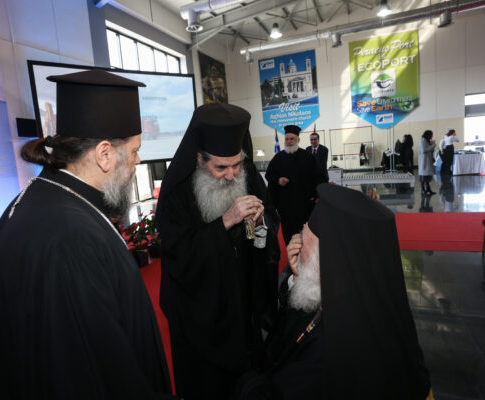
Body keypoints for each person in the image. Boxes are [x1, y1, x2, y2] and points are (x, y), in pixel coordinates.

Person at [0, 70, 175, 399]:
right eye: (134, 150)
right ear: (104, 154)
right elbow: (100, 365)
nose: (137, 160)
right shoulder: (71, 235)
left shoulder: (40, 199)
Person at [233, 184, 431, 399]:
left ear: (326, 261)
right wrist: (298, 277)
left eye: (304, 241)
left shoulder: (327, 358)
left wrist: (245, 379)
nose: (297, 247)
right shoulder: (360, 294)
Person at [156, 103, 281, 400]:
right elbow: (180, 257)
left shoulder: (247, 174)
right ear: (199, 159)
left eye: (236, 165)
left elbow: (261, 232)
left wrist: (259, 223)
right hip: (202, 323)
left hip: (244, 307)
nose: (231, 175)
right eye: (221, 168)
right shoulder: (178, 193)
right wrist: (225, 221)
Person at [265, 124, 328, 244]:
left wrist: (317, 195)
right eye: (287, 139)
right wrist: (278, 180)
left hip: (304, 207)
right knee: (288, 239)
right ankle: (290, 255)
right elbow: (269, 175)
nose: (289, 142)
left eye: (291, 139)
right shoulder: (278, 158)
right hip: (285, 208)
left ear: (298, 140)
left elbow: (320, 177)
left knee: (305, 238)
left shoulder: (307, 157)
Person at [419, 130, 436, 195]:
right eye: (431, 135)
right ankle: (423, 189)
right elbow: (424, 150)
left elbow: (430, 150)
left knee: (428, 175)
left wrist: (433, 157)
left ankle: (428, 189)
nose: (432, 136)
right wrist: (432, 146)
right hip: (424, 161)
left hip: (428, 160)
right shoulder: (423, 141)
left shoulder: (427, 141)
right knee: (423, 176)